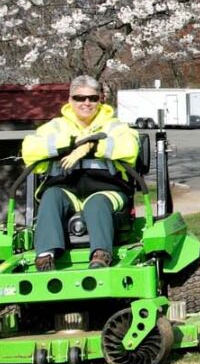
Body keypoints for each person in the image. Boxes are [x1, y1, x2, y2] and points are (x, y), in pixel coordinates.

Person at [21, 75, 141, 269]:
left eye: (92, 98)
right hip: (67, 188)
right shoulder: (55, 126)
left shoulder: (114, 126)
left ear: (100, 99)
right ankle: (45, 255)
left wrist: (91, 147)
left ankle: (101, 255)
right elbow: (29, 149)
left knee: (96, 202)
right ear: (70, 100)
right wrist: (70, 144)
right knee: (50, 196)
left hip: (108, 189)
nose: (86, 103)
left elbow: (129, 147)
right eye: (80, 98)